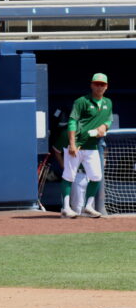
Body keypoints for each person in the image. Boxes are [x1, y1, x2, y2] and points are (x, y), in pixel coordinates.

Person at [60, 73, 113, 219]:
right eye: (96, 84)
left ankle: (88, 207)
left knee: (96, 176)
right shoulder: (81, 101)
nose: (99, 87)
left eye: (102, 84)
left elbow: (109, 119)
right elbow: (72, 121)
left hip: (92, 146)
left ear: (106, 86)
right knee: (69, 176)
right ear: (91, 85)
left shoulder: (108, 102)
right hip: (76, 144)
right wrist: (72, 143)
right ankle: (65, 207)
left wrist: (105, 126)